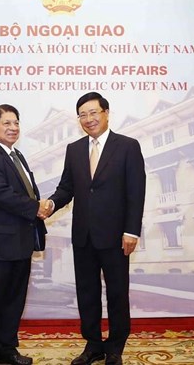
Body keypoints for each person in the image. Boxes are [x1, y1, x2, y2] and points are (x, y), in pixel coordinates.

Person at [48, 92, 146, 365]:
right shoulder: (74, 149)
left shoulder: (127, 146)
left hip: (116, 237)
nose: (88, 119)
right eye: (83, 114)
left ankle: (114, 347)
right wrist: (51, 204)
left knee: (117, 293)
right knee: (87, 293)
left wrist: (132, 231)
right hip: (83, 236)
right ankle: (92, 345)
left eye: (94, 112)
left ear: (106, 113)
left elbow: (136, 192)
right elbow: (67, 188)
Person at [0, 104, 50, 365]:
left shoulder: (17, 155)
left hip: (19, 242)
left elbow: (27, 191)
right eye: (6, 123)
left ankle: (8, 348)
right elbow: (2, 195)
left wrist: (39, 205)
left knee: (14, 300)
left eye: (16, 122)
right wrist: (35, 208)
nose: (13, 127)